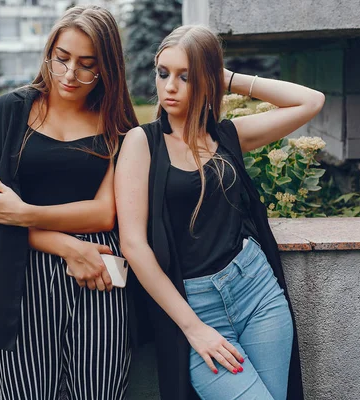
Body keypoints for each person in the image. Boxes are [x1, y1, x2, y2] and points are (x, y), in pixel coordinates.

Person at [115, 25, 325, 400]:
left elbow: (310, 101)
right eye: (163, 73)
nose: (170, 87)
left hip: (256, 291)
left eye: (186, 76)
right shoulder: (142, 142)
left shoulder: (226, 135)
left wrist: (225, 77)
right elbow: (134, 246)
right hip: (194, 307)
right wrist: (193, 328)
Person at [0, 5, 138, 400]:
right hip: (22, 277)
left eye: (87, 64)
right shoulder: (10, 113)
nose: (71, 74)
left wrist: (26, 214)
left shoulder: (118, 127)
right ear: (49, 53)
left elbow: (105, 212)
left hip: (99, 276)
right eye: (62, 59)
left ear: (108, 68)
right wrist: (68, 246)